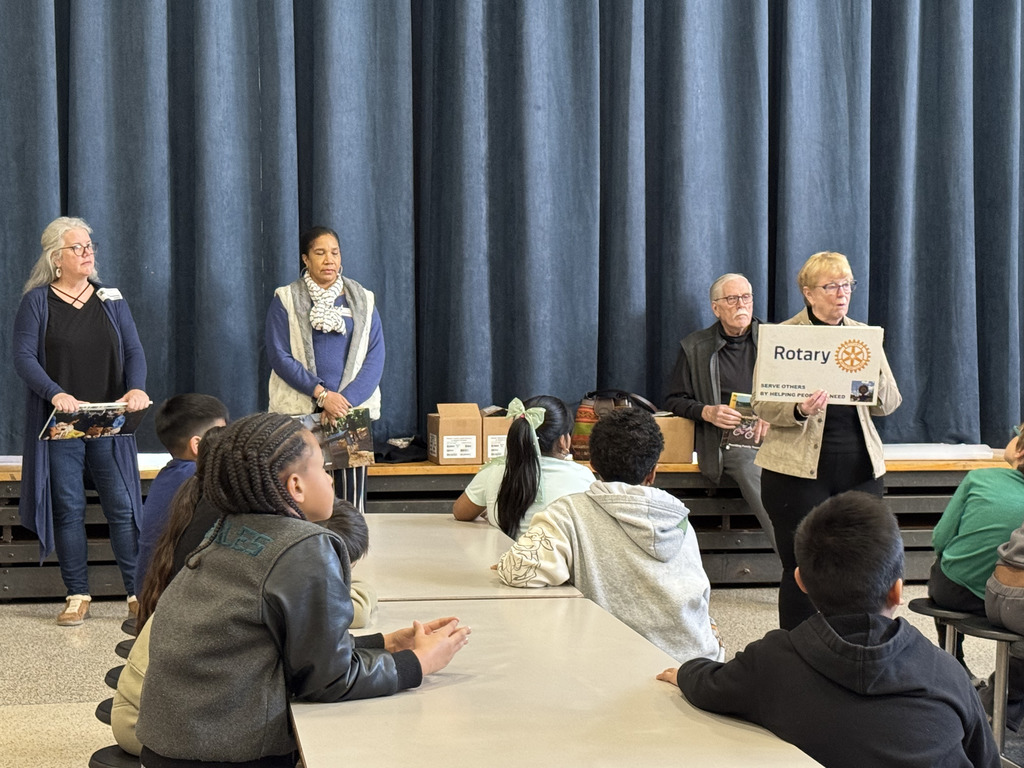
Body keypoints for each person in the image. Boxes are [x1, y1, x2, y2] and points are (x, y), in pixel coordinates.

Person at [134, 413, 469, 767]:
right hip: (229, 753)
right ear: (295, 486)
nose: (330, 479)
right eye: (324, 469)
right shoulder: (304, 545)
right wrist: (418, 662)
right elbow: (328, 681)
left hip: (171, 746)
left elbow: (280, 646)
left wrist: (383, 644)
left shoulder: (229, 528)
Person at [657, 491, 999, 768]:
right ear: (898, 590)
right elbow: (985, 759)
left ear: (800, 582)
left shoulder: (772, 661)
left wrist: (686, 671)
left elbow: (709, 685)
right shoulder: (946, 673)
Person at [113, 493, 376, 758]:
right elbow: (337, 650)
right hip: (150, 725)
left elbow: (313, 653)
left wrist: (379, 644)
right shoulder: (289, 567)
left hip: (160, 717)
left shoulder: (242, 550)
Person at [495, 407, 722, 664]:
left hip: (616, 666)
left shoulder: (568, 512)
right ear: (652, 472)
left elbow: (518, 572)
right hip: (697, 663)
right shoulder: (679, 515)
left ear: (592, 464)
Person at [12, 216, 149, 626]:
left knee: (122, 508)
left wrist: (136, 389)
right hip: (62, 423)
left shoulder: (111, 299)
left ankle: (137, 592)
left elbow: (134, 352)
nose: (88, 253)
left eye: (89, 245)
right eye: (78, 247)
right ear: (56, 257)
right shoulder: (37, 301)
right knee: (68, 507)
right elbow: (23, 358)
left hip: (108, 420)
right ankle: (77, 594)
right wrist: (56, 392)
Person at [753, 251, 901, 629]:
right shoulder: (784, 336)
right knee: (800, 567)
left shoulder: (864, 337)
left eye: (847, 284)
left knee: (865, 565)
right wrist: (798, 409)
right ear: (808, 293)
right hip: (795, 472)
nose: (842, 293)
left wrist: (874, 379)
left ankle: (860, 646)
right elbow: (761, 403)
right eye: (831, 286)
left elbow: (890, 403)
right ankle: (798, 653)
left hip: (859, 467)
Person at [266, 225, 384, 512]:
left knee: (350, 501)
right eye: (320, 253)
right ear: (306, 259)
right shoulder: (286, 298)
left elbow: (374, 356)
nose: (329, 260)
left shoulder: (363, 299)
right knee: (299, 496)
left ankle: (349, 557)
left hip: (349, 413)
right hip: (299, 414)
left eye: (334, 252)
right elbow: (279, 355)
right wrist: (322, 396)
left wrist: (342, 404)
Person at [664, 273, 775, 550]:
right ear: (716, 308)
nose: (742, 305)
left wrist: (777, 414)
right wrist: (707, 413)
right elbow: (674, 400)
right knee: (753, 468)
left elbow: (799, 389)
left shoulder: (776, 339)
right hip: (731, 442)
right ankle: (798, 564)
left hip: (780, 434)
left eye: (746, 297)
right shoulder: (695, 347)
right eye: (732, 299)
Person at [928, 422, 1024, 722]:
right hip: (1012, 602)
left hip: (953, 592)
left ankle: (954, 661)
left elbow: (940, 539)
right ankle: (1001, 699)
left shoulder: (980, 478)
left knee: (942, 568)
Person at [452, 396, 596, 538]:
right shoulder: (583, 476)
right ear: (563, 440)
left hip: (503, 560)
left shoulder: (494, 471)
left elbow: (460, 512)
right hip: (561, 560)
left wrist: (492, 511)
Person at [133, 393, 228, 595]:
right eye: (222, 433)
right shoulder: (199, 479)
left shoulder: (167, 475)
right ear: (196, 445)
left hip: (149, 595)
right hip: (175, 599)